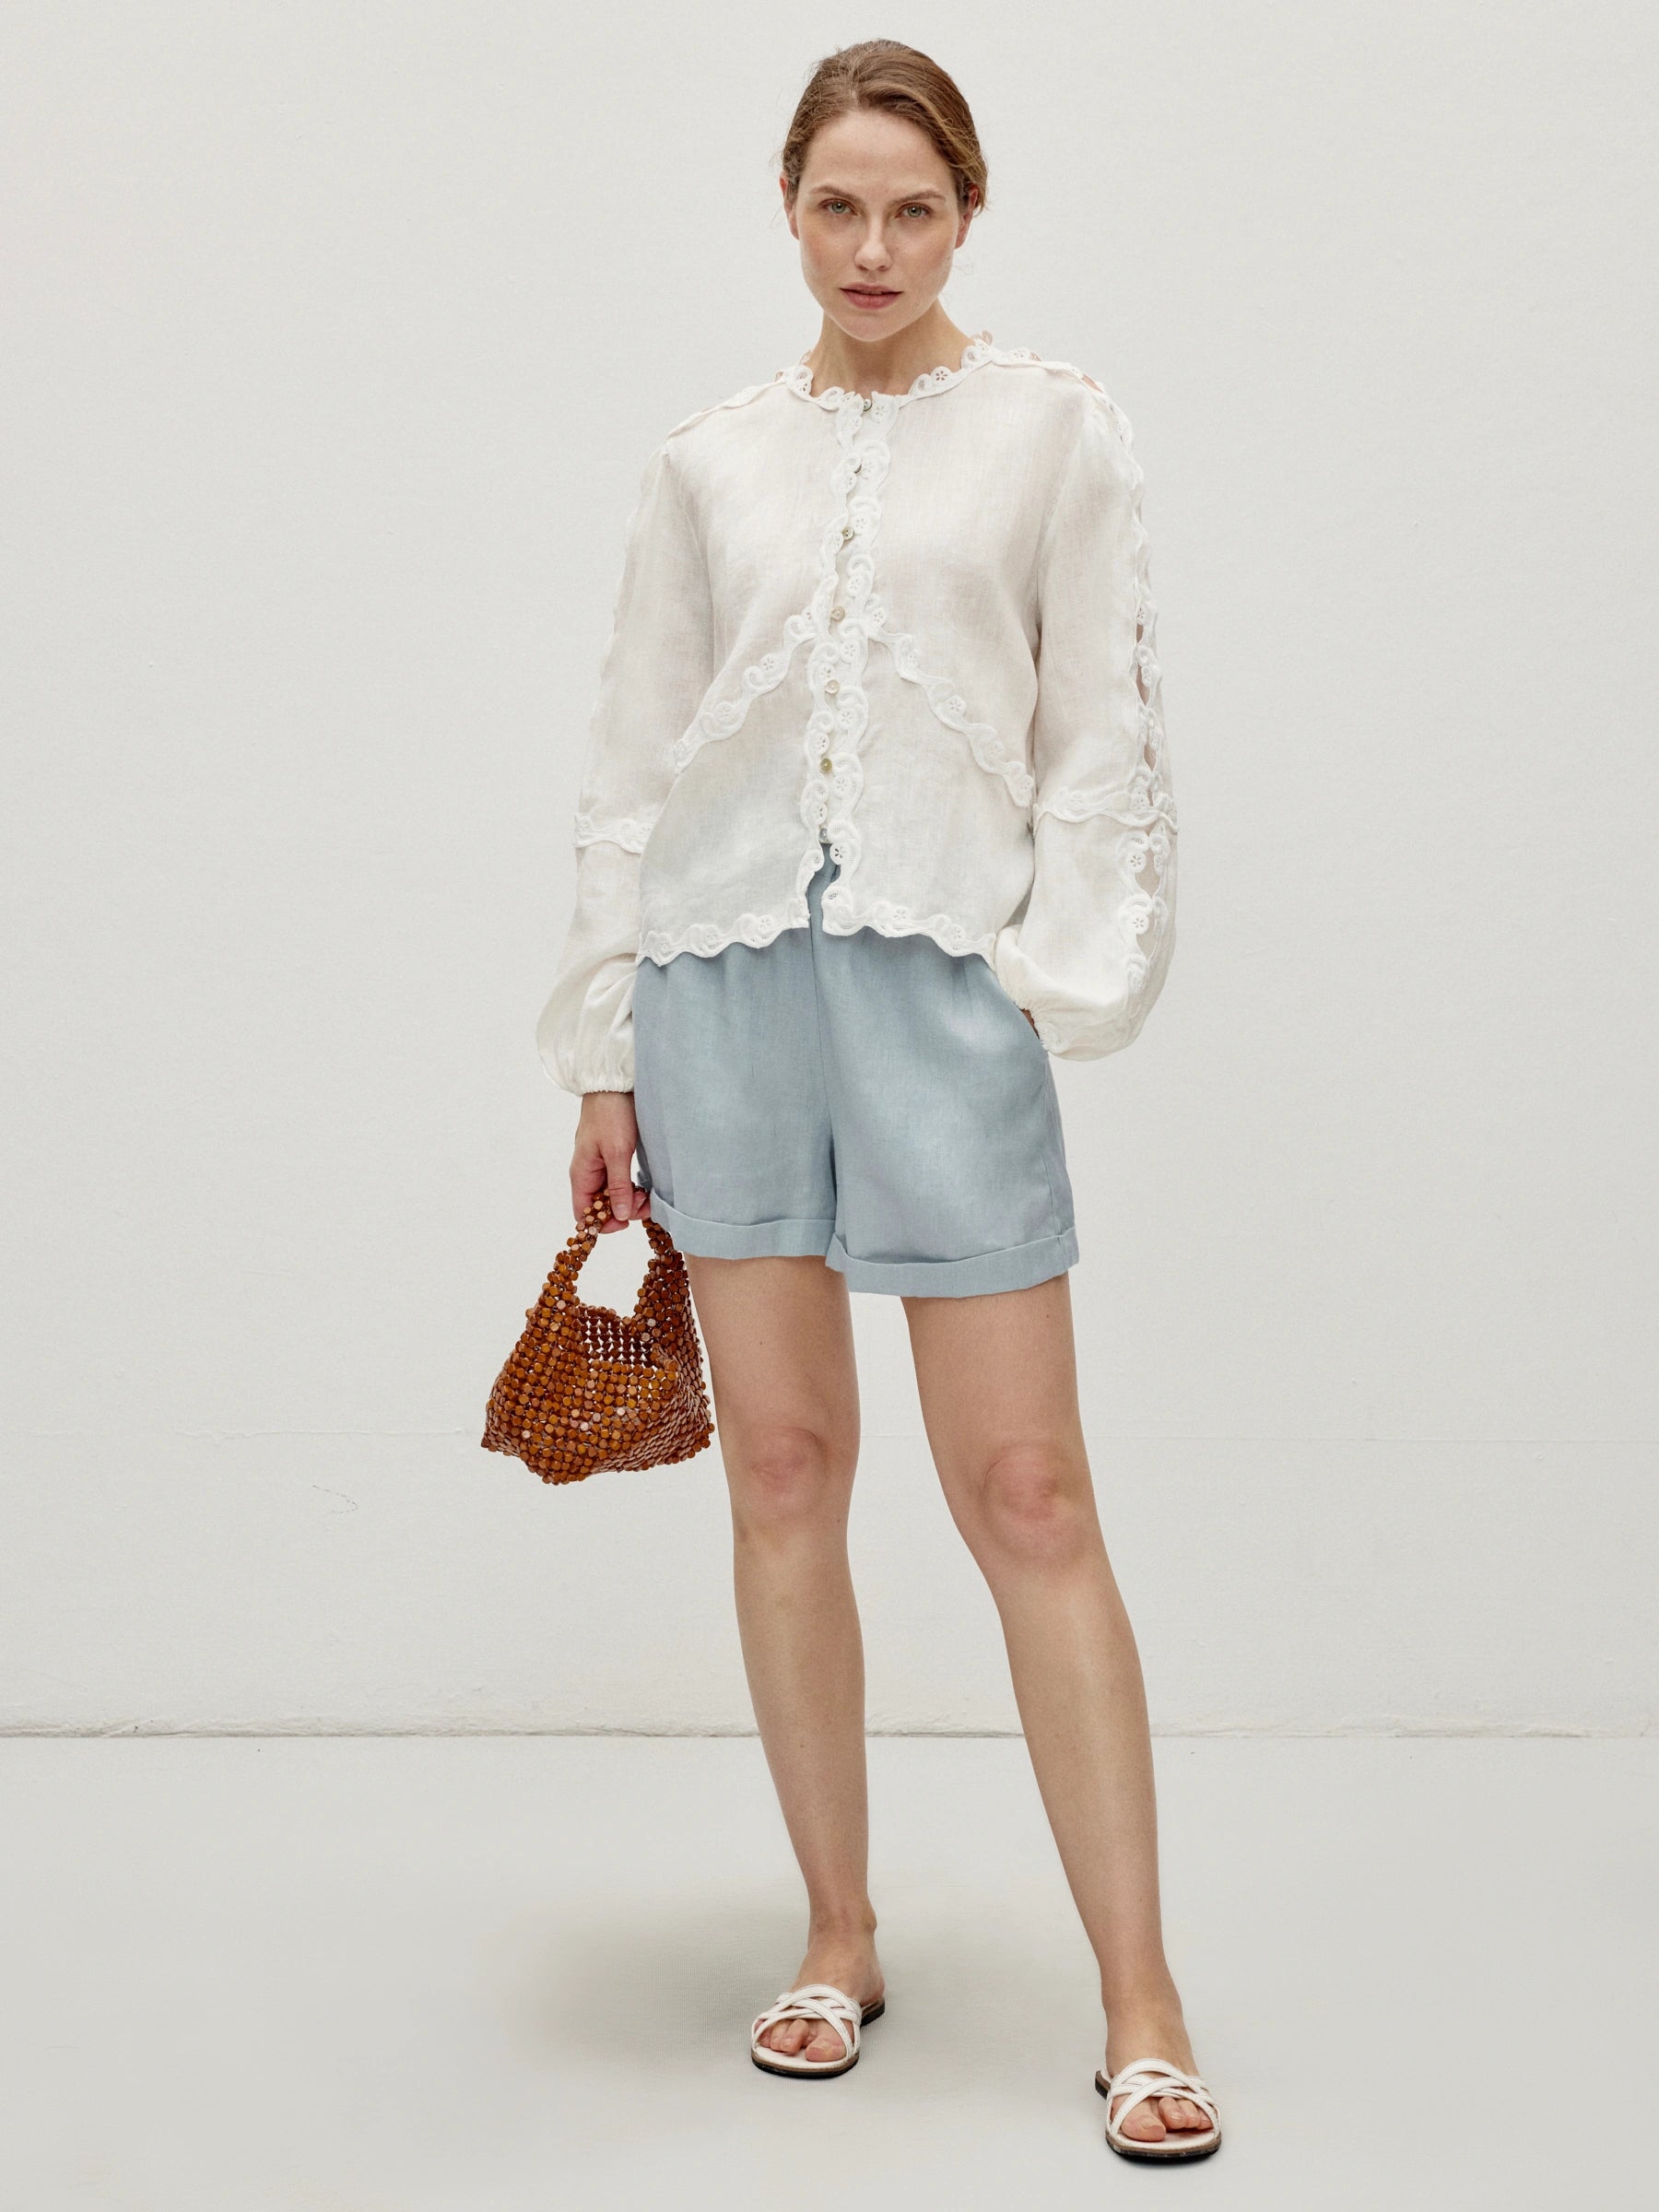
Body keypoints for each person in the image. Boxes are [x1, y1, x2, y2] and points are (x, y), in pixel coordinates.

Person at [535, 39, 1218, 2163]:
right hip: (724, 991)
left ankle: (1141, 1998)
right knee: (783, 1472)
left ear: (967, 214)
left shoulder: (1050, 430)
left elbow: (1099, 733)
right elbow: (636, 758)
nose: (872, 245)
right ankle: (837, 1934)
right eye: (837, 204)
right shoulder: (710, 462)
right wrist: (607, 1044)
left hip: (938, 993)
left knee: (1031, 1493)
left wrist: (1045, 987)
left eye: (913, 207)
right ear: (788, 205)